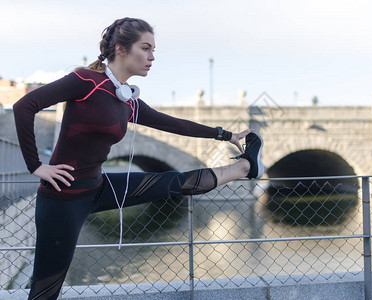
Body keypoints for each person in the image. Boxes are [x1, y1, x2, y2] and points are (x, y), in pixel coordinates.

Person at [13, 17, 264, 300]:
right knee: (46, 289)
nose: (152, 57)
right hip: (63, 198)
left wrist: (225, 134)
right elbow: (25, 105)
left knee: (174, 182)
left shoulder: (127, 99)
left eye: (153, 49)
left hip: (98, 188)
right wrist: (36, 166)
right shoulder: (85, 81)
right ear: (121, 48)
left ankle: (244, 166)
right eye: (145, 48)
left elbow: (173, 124)